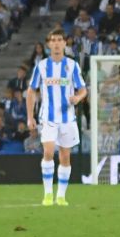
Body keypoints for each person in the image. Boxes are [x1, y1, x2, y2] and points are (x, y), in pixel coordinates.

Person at [25, 29, 86, 206]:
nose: (57, 43)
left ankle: (61, 195)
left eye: (60, 40)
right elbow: (31, 91)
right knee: (49, 152)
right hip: (48, 118)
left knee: (65, 157)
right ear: (49, 44)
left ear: (65, 44)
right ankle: (47, 194)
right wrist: (30, 117)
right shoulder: (42, 66)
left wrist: (77, 98)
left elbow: (83, 89)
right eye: (54, 40)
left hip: (68, 118)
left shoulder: (72, 65)